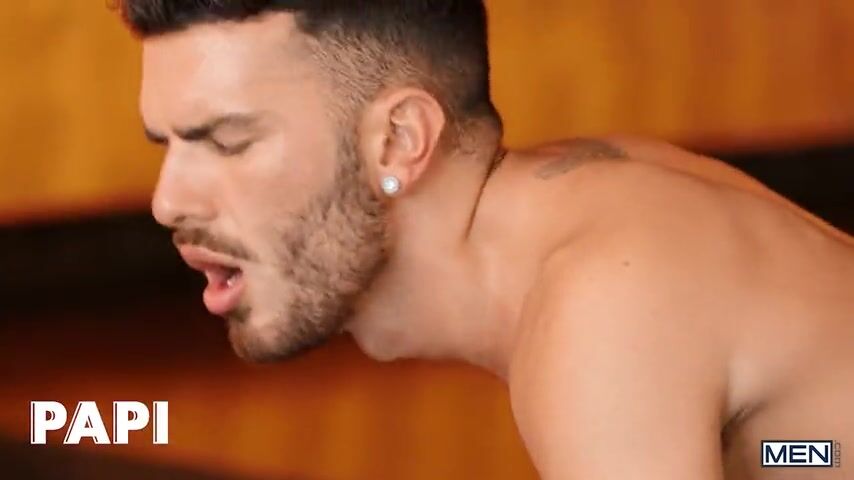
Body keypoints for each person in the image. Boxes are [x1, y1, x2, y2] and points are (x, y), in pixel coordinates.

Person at [118, 1, 854, 478]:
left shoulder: (605, 306)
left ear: (399, 141)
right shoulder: (603, 206)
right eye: (168, 146)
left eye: (228, 142)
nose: (168, 201)